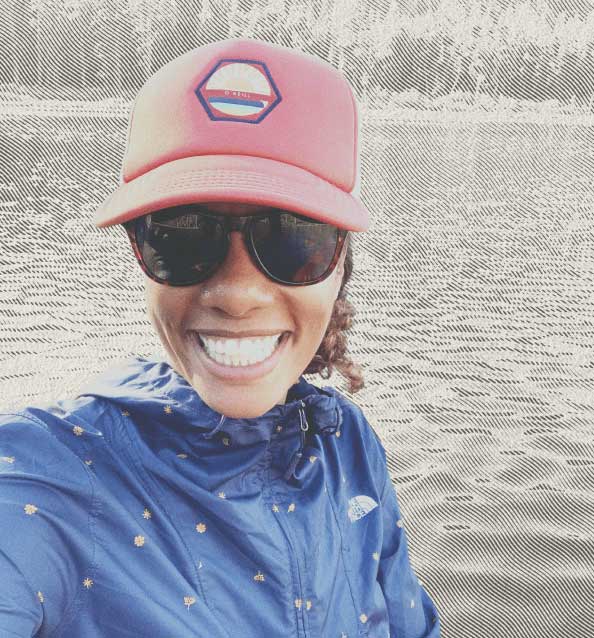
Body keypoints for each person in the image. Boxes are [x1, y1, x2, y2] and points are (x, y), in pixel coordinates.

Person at [0, 38, 441, 637]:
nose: (237, 293)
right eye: (182, 236)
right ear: (137, 252)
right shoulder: (47, 480)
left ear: (341, 264)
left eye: (293, 238)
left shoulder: (350, 444)